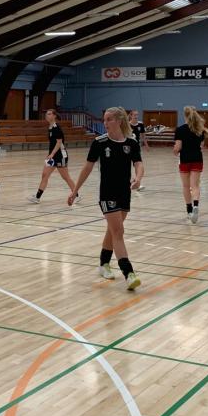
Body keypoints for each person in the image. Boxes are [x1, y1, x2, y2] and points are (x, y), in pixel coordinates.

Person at [68, 107, 143, 290]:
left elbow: (138, 163)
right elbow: (87, 168)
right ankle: (129, 273)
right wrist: (75, 191)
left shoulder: (131, 143)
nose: (105, 122)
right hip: (107, 193)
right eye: (104, 119)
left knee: (113, 230)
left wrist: (138, 178)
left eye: (109, 119)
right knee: (118, 231)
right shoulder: (99, 142)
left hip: (124, 192)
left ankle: (103, 264)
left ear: (119, 121)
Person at [28, 109, 80, 204]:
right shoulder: (50, 127)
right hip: (52, 156)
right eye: (46, 114)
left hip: (60, 156)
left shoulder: (56, 127)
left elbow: (59, 142)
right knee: (45, 175)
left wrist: (52, 154)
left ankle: (76, 195)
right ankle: (37, 197)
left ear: (54, 116)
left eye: (49, 114)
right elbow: (52, 144)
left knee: (66, 177)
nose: (46, 115)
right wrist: (50, 154)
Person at [173, 106, 208, 223]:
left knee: (186, 186)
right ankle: (196, 205)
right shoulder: (200, 129)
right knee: (195, 185)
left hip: (185, 159)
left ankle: (189, 211)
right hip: (197, 159)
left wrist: (175, 151)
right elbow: (202, 145)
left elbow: (178, 147)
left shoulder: (180, 129)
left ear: (184, 115)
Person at [128, 109, 149, 190]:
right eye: (135, 115)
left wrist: (146, 145)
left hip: (136, 148)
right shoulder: (127, 125)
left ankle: (137, 184)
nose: (136, 116)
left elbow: (143, 135)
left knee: (138, 166)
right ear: (131, 116)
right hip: (127, 148)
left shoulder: (140, 124)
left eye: (137, 115)